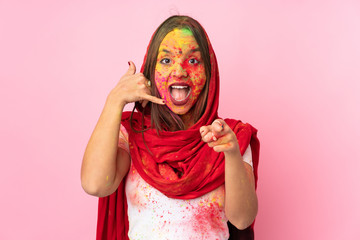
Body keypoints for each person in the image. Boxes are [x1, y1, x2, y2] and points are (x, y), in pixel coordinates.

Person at [81, 15, 260, 240]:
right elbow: (95, 185)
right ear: (150, 72)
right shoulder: (131, 135)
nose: (179, 71)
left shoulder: (228, 136)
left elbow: (242, 219)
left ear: (209, 72)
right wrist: (114, 100)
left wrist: (232, 154)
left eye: (193, 61)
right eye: (166, 61)